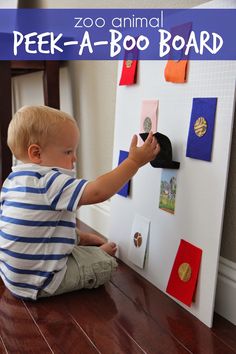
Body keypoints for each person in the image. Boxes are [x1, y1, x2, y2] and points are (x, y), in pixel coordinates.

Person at [0, 105, 160, 300]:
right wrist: (133, 162)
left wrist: (79, 237)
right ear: (36, 154)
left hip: (13, 277)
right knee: (106, 266)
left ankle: (79, 243)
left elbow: (36, 229)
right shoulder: (49, 180)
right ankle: (95, 256)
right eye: (68, 152)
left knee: (52, 225)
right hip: (42, 281)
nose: (74, 158)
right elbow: (98, 192)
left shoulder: (12, 180)